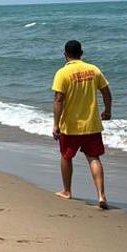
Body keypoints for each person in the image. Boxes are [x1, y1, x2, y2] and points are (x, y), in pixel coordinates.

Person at [51, 40, 112, 209]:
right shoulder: (93, 69)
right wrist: (108, 110)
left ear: (65, 55)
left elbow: (58, 100)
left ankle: (67, 190)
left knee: (66, 156)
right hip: (91, 124)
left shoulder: (62, 73)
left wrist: (56, 124)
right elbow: (106, 91)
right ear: (82, 53)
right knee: (94, 158)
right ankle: (101, 195)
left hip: (70, 126)